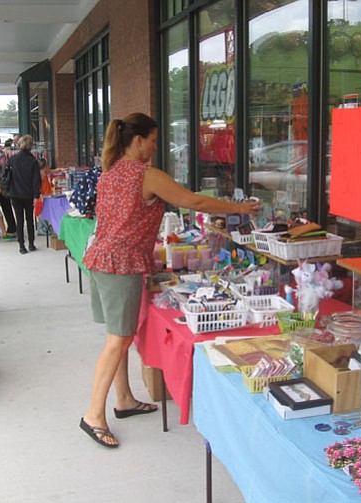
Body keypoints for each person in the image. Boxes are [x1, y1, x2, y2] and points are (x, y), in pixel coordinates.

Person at [80, 112, 260, 448]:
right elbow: (193, 200)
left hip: (101, 259)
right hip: (121, 264)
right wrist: (239, 209)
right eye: (152, 140)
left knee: (115, 336)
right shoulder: (145, 175)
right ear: (138, 141)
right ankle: (93, 415)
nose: (154, 147)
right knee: (118, 340)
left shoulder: (111, 171)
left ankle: (124, 400)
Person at [8, 134, 41, 254]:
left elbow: (7, 175)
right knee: (29, 219)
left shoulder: (13, 159)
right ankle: (31, 243)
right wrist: (36, 195)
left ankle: (21, 245)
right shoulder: (33, 161)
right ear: (31, 146)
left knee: (19, 220)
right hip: (28, 194)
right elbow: (36, 180)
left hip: (15, 193)